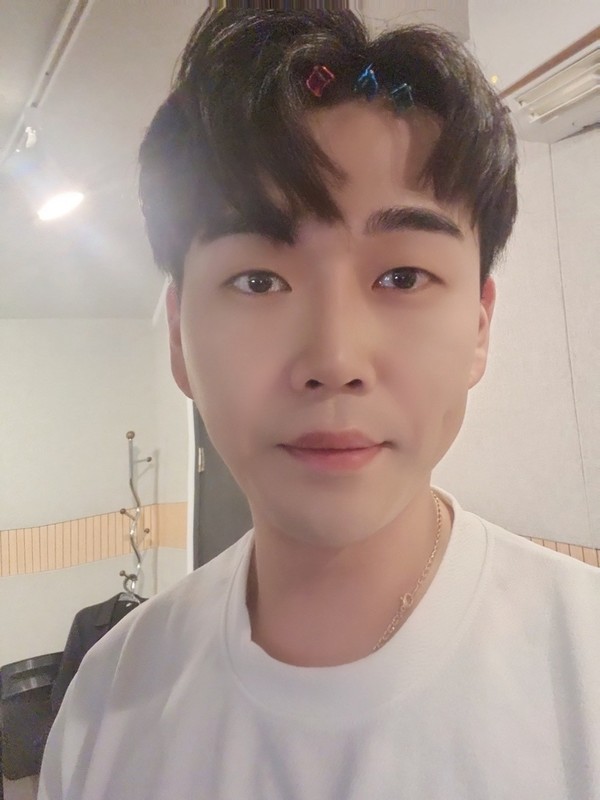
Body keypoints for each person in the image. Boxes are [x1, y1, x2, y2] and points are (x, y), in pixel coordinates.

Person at [39, 9, 600, 799]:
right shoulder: (106, 705)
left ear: (479, 327)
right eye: (258, 280)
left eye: (402, 277)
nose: (334, 361)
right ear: (179, 335)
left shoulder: (584, 668)